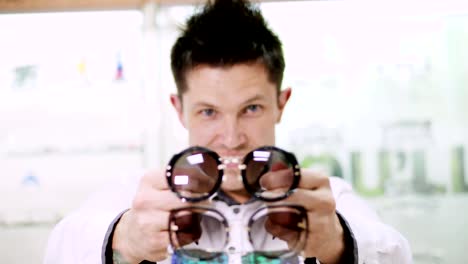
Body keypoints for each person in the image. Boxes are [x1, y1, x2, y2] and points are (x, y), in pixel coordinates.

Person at [44, 0, 412, 263]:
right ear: (180, 110)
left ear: (281, 103)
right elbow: (60, 248)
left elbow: (395, 254)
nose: (232, 137)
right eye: (209, 112)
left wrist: (340, 242)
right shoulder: (139, 198)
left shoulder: (325, 200)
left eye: (251, 109)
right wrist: (122, 238)